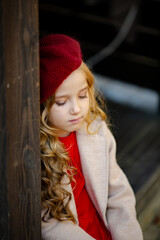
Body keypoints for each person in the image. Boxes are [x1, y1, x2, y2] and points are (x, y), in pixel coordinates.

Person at [40, 33, 143, 240]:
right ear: (42, 105)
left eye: (82, 95)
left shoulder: (96, 132)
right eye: (61, 102)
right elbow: (46, 223)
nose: (76, 109)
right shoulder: (38, 150)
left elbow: (118, 193)